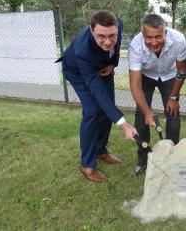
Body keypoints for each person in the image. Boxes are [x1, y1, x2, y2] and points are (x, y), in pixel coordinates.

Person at [59, 10, 138, 182]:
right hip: (79, 72)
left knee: (107, 108)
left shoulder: (119, 24)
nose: (108, 41)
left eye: (112, 36)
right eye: (101, 36)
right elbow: (97, 91)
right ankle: (87, 164)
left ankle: (101, 151)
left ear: (117, 28)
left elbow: (115, 50)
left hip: (104, 67)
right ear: (91, 30)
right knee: (93, 110)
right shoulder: (82, 50)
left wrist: (113, 64)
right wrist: (124, 124)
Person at [128, 14, 186, 175]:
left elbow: (182, 71)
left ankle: (171, 155)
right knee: (141, 115)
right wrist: (148, 112)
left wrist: (173, 97)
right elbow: (135, 85)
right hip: (145, 77)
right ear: (142, 34)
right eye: (149, 38)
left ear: (165, 32)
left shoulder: (179, 40)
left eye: (158, 37)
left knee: (173, 113)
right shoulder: (135, 45)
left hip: (170, 76)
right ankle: (144, 157)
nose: (154, 42)